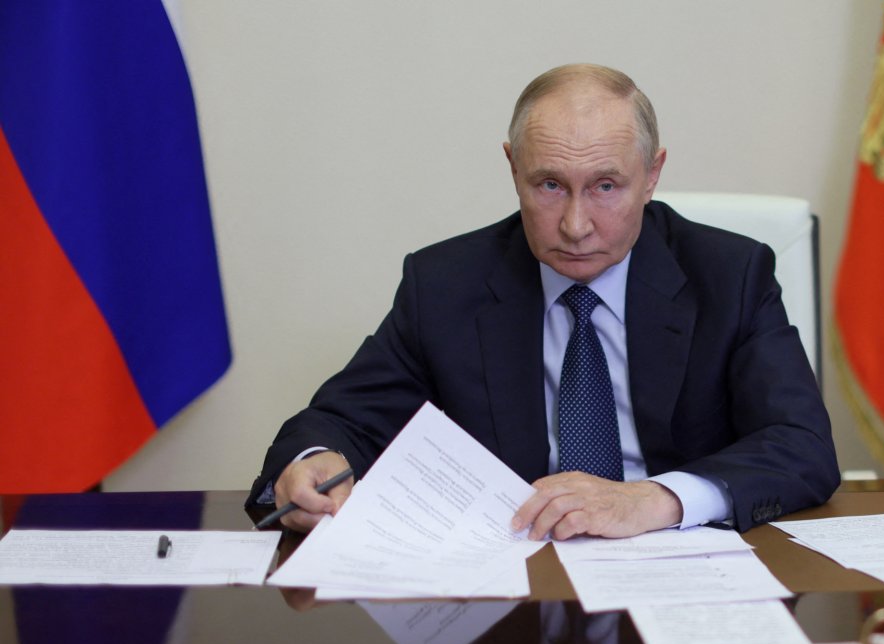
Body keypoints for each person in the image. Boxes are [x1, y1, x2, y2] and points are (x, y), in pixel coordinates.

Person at [247, 63, 839, 539]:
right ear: (513, 167)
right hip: (519, 576)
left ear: (652, 173)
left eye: (606, 186)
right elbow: (345, 419)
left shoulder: (729, 274)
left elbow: (801, 445)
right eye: (550, 185)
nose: (576, 225)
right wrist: (311, 462)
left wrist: (654, 500)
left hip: (684, 567)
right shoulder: (447, 283)